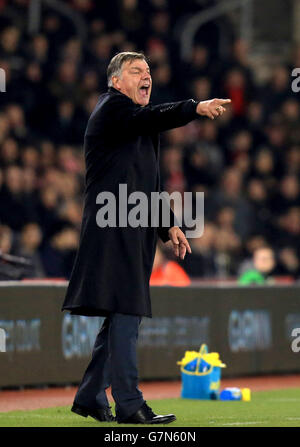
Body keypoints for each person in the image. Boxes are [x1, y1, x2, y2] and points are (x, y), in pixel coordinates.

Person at [62, 51, 230, 424]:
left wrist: (168, 225)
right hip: (111, 225)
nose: (146, 76)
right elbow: (154, 116)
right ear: (115, 81)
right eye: (136, 71)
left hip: (134, 228)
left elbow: (149, 185)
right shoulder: (112, 108)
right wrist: (194, 107)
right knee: (127, 311)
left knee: (126, 315)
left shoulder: (140, 125)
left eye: (149, 71)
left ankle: (91, 394)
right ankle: (129, 404)